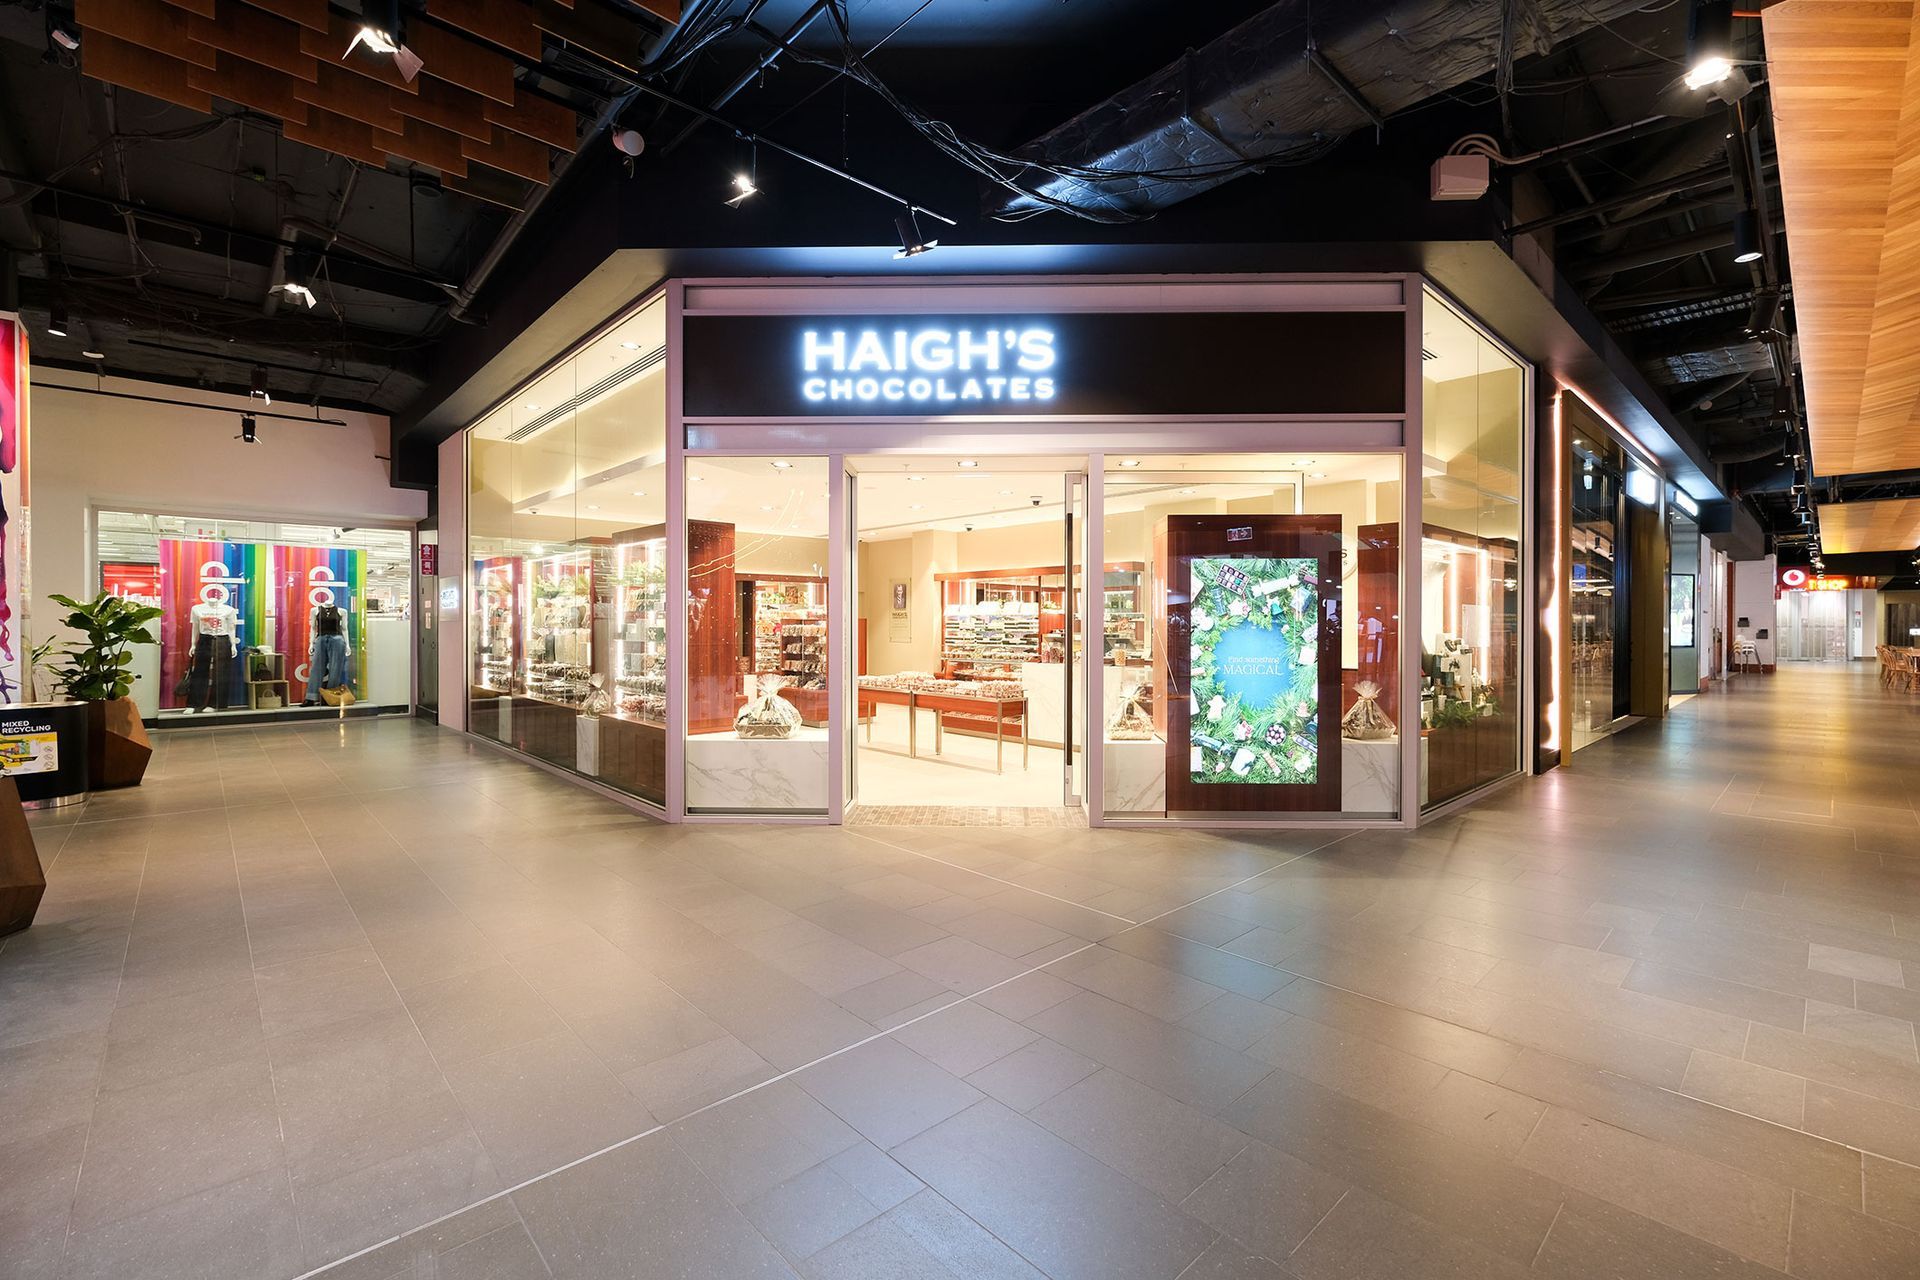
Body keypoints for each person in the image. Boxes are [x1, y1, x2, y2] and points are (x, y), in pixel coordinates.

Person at [303, 600, 352, 705]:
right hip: (320, 639)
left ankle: (329, 697)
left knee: (335, 669)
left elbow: (344, 629)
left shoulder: (342, 611)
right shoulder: (315, 610)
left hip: (337, 639)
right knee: (316, 668)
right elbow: (313, 628)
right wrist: (311, 643)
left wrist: (347, 645)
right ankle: (311, 698)